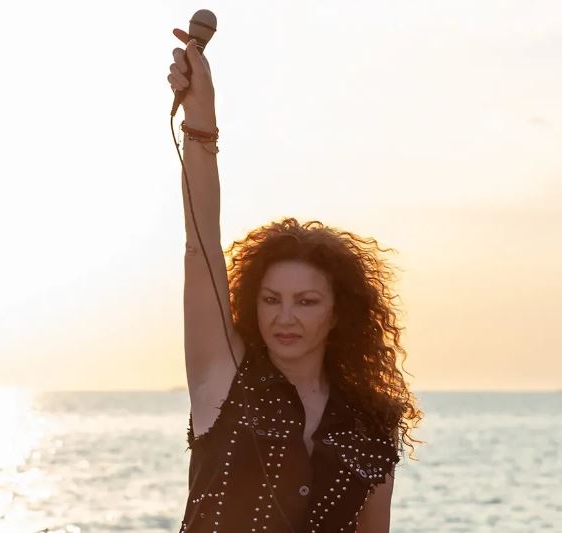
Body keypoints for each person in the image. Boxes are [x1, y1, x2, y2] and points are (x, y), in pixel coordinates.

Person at [168, 27, 423, 533]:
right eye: (271, 300)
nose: (284, 317)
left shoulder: (372, 421)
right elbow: (201, 247)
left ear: (338, 312)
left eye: (306, 301)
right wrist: (200, 124)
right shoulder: (223, 376)